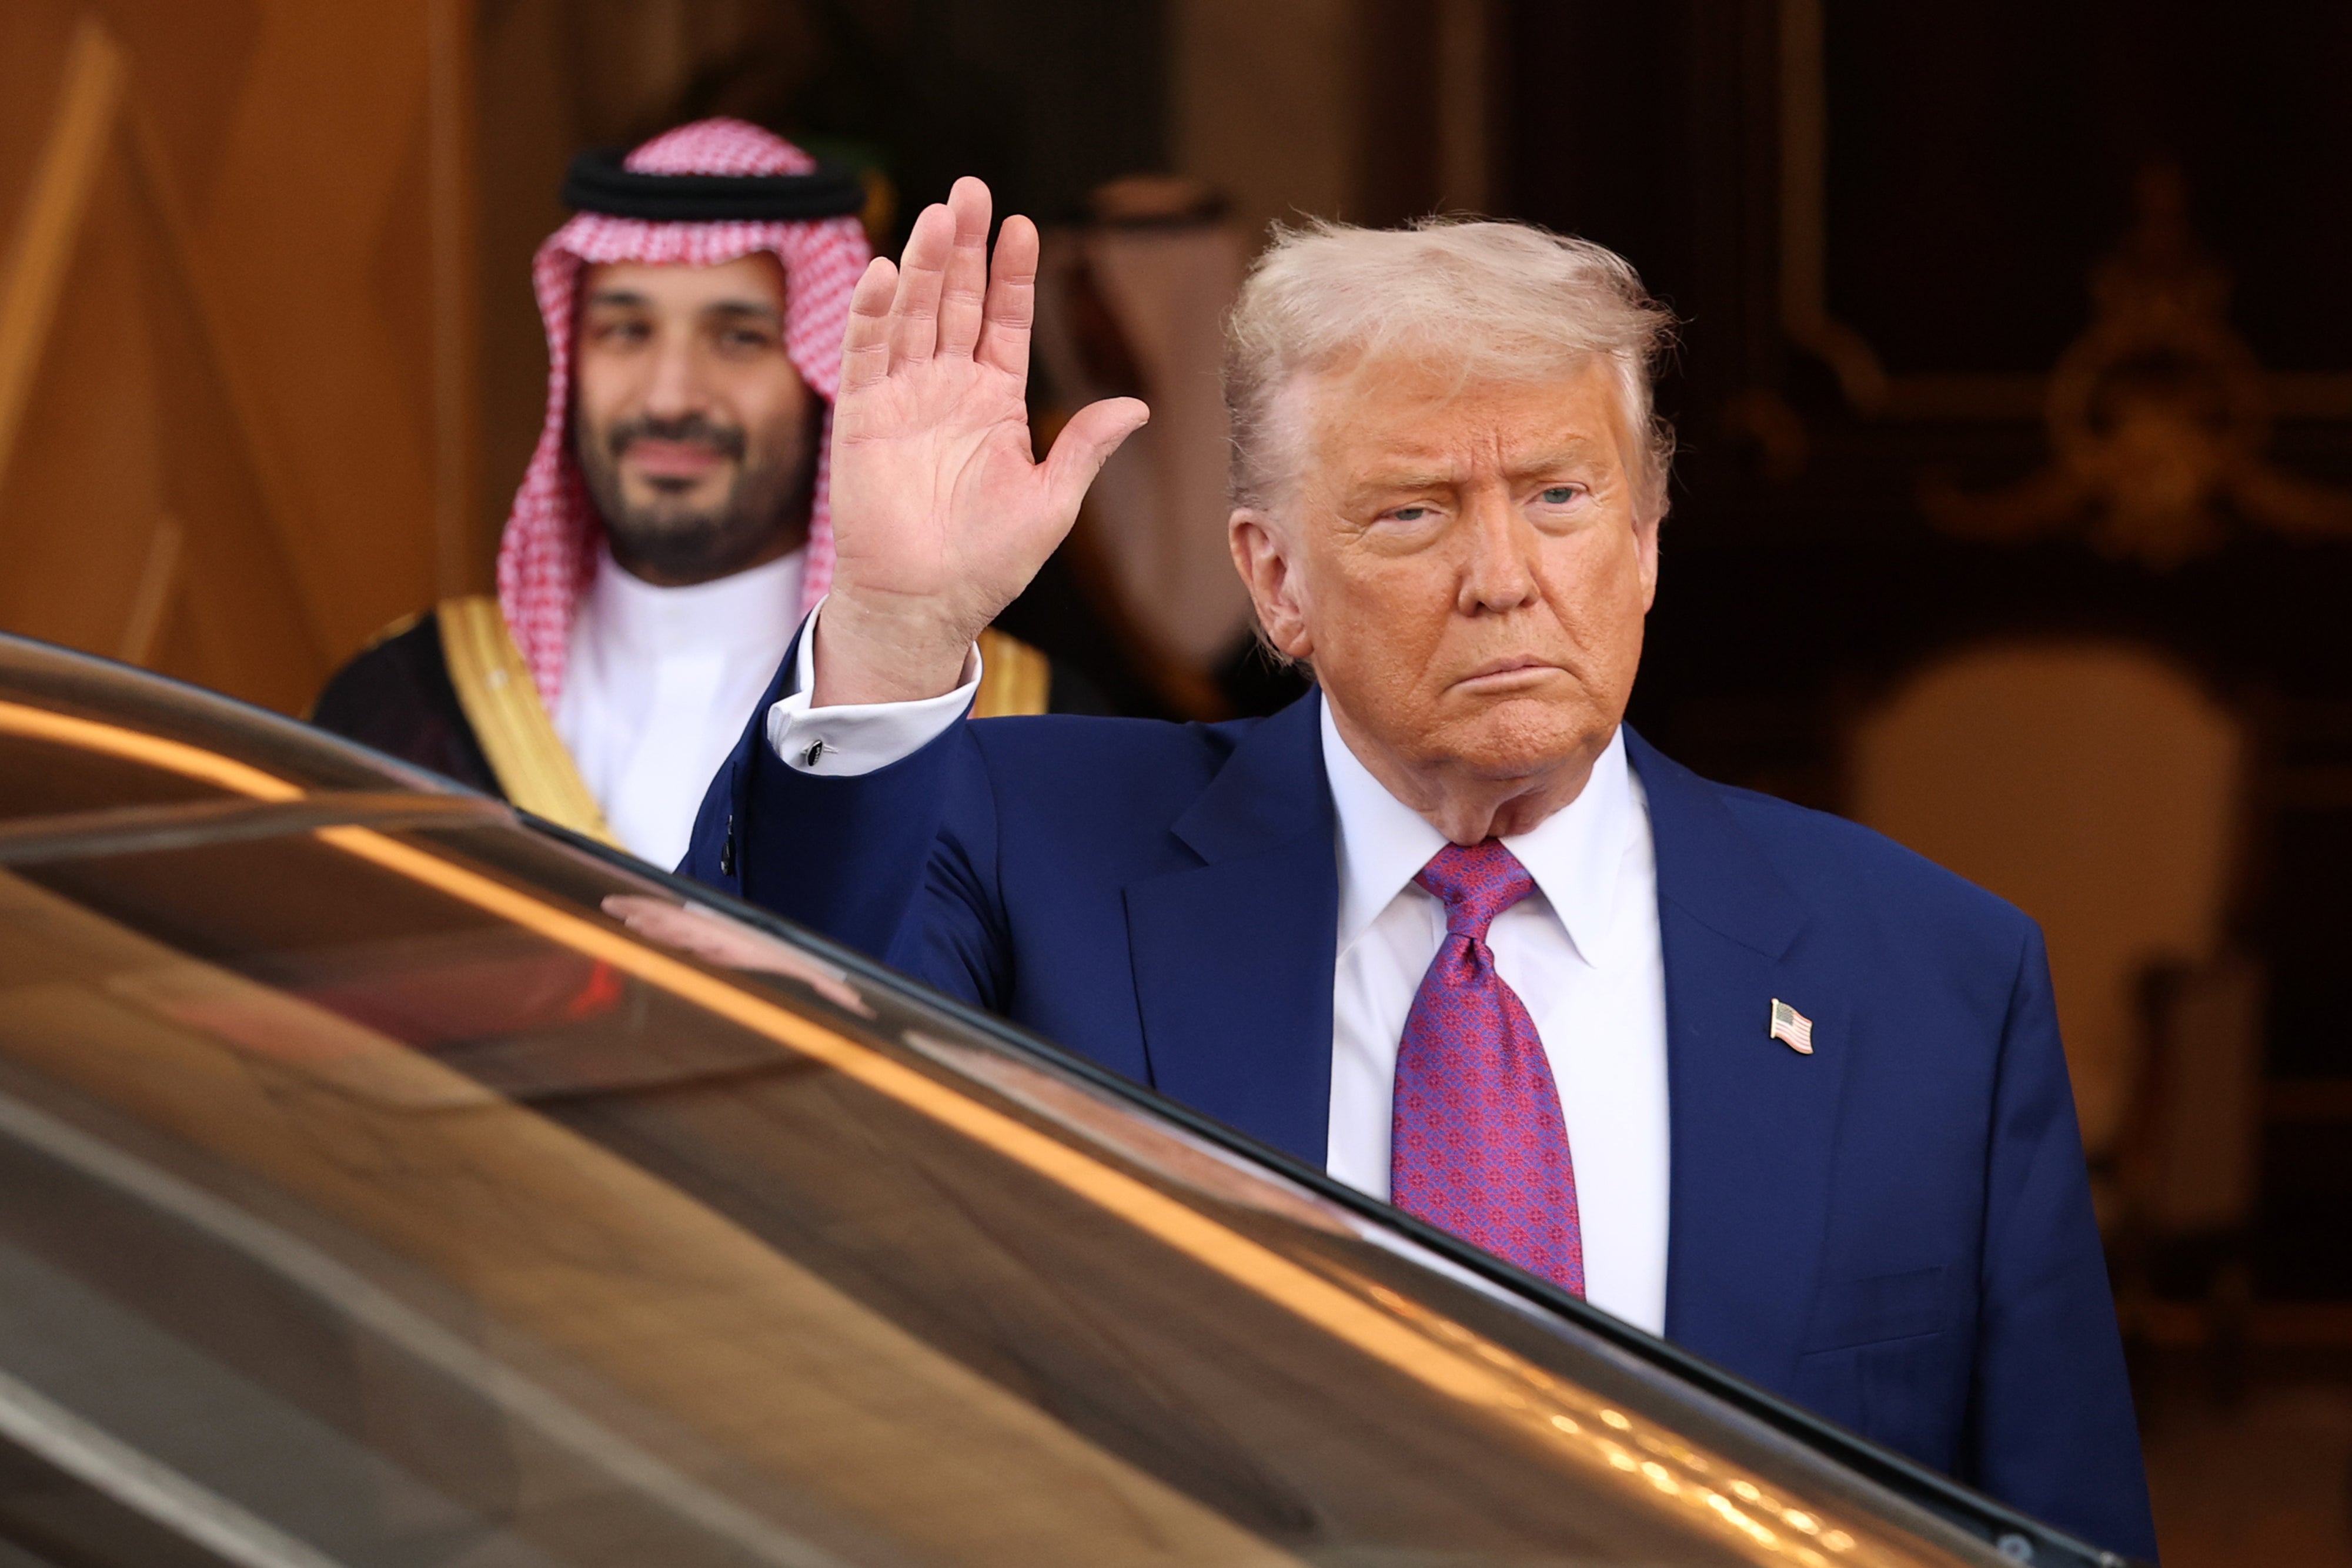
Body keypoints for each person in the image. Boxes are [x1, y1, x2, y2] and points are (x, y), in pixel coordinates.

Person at [673, 178, 2157, 1558]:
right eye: (1413, 510)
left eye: (1561, 499)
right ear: (1275, 581)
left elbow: (2051, 1525)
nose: (1503, 574)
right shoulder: (1033, 849)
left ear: (1643, 545)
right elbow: (768, 1068)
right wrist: (889, 626)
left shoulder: (1930, 979)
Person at [312, 120, 1077, 870]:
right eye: (626, 331)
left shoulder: (1025, 724)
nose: (672, 396)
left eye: (738, 338)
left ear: (824, 375)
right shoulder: (404, 699)